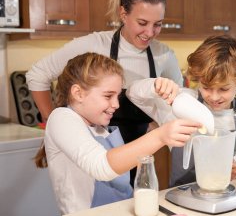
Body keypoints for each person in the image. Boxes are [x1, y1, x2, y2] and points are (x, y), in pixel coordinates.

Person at [26, 0, 182, 184]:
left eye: (158, 24)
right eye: (143, 22)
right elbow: (37, 75)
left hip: (141, 156)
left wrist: (157, 125)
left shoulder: (164, 55)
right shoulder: (93, 45)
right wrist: (52, 120)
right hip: (93, 156)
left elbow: (176, 106)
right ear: (123, 14)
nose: (150, 32)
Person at [34, 52, 200, 215]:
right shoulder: (61, 118)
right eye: (108, 96)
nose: (116, 104)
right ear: (78, 93)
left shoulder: (99, 126)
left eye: (117, 96)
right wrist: (160, 136)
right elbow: (101, 167)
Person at [127, 34, 236, 187]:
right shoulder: (182, 103)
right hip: (181, 193)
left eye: (224, 89)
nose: (214, 97)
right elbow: (132, 93)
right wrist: (155, 85)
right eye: (206, 87)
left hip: (224, 189)